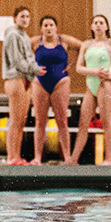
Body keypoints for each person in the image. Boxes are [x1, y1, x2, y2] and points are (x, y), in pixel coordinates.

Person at [71, 14, 111, 165]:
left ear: (106, 26)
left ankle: (107, 159)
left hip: (105, 85)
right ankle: (73, 159)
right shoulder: (86, 44)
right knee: (83, 124)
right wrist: (94, 72)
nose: (98, 25)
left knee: (106, 122)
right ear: (92, 26)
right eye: (95, 22)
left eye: (101, 23)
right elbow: (79, 68)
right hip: (90, 85)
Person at [30, 15, 84, 164]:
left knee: (62, 121)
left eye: (51, 25)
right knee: (40, 122)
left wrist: (74, 63)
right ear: (41, 28)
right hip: (40, 83)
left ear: (56, 27)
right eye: (45, 25)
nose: (48, 28)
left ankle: (67, 157)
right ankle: (37, 157)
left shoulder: (64, 40)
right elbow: (21, 55)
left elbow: (83, 46)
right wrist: (32, 68)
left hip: (61, 82)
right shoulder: (35, 42)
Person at [1, 6, 40, 164]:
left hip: (24, 79)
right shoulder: (12, 35)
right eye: (22, 16)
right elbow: (17, 61)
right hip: (15, 79)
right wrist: (35, 69)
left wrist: (33, 70)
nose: (25, 19)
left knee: (21, 121)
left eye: (27, 16)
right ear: (15, 17)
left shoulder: (24, 35)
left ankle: (16, 155)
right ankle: (11, 157)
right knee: (15, 120)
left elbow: (28, 57)